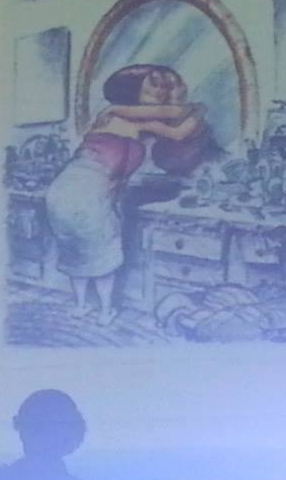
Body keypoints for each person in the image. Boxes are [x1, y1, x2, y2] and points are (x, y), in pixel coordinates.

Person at [45, 63, 210, 325]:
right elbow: (178, 118)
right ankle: (104, 311)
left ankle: (82, 307)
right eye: (151, 87)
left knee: (80, 252)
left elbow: (178, 132)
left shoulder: (128, 118)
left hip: (68, 190)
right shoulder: (119, 114)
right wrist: (199, 108)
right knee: (101, 253)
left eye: (162, 87)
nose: (160, 92)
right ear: (132, 91)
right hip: (84, 191)